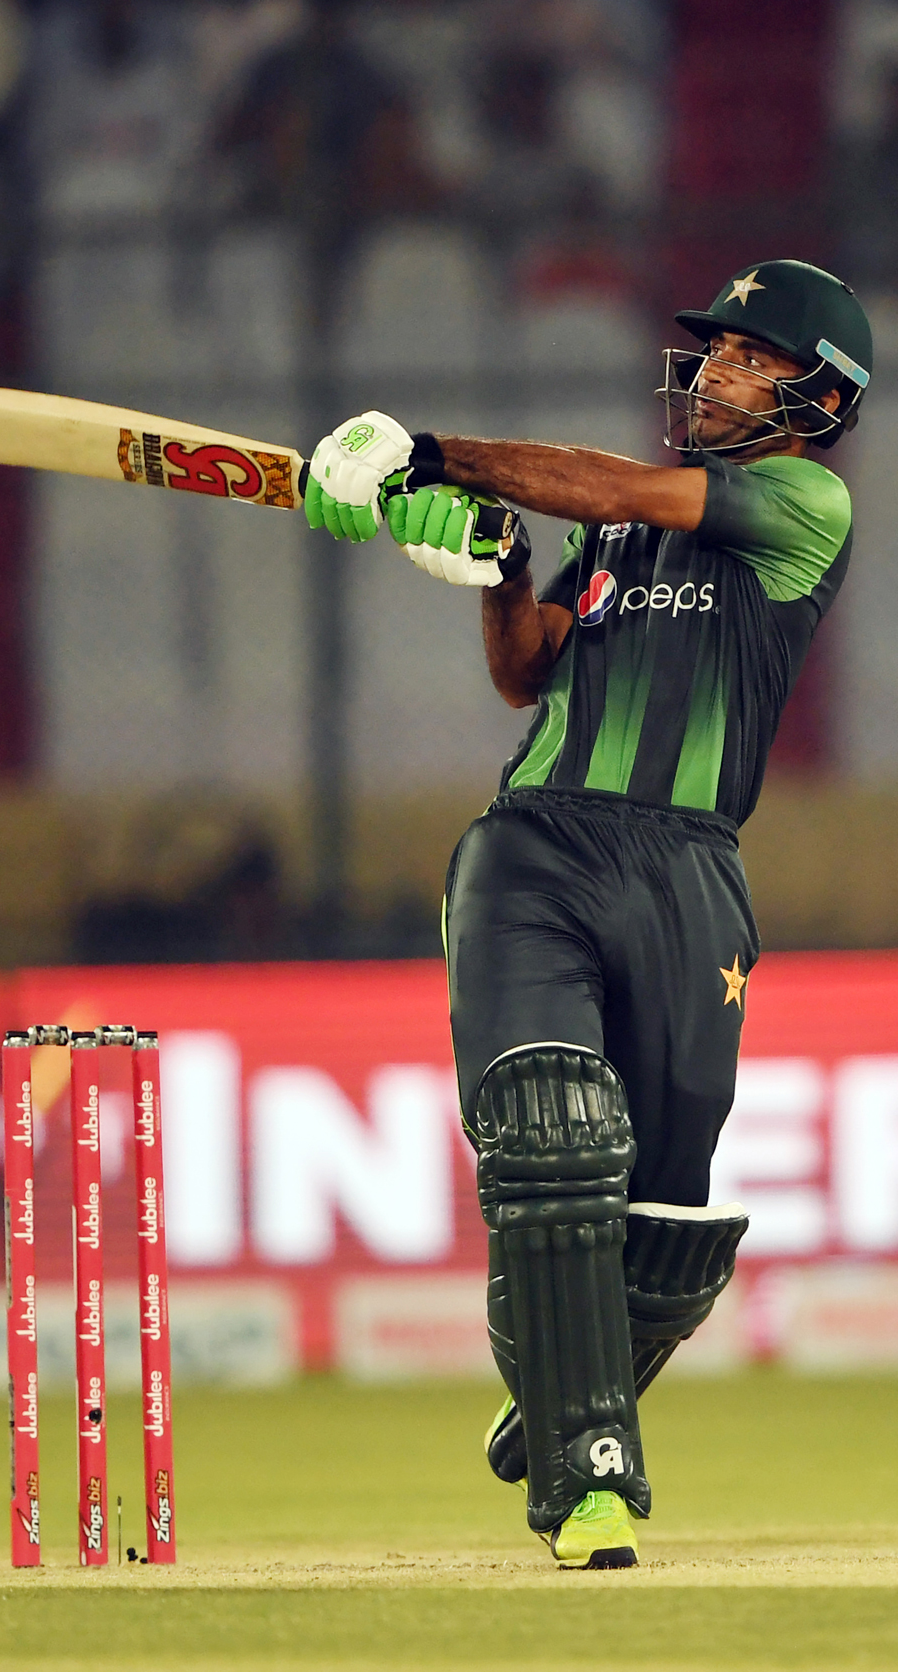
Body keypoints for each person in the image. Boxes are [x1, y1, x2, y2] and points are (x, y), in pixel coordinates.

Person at [303, 259, 872, 1568]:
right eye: (713, 350)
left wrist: (433, 452)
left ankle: (566, 1389)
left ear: (817, 397)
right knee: (550, 1137)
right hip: (534, 849)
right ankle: (591, 1473)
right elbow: (527, 675)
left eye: (746, 355)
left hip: (686, 873)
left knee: (664, 1236)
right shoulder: (615, 540)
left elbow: (608, 482)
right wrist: (497, 567)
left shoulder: (803, 506)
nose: (714, 371)